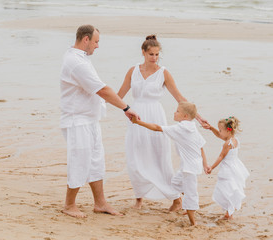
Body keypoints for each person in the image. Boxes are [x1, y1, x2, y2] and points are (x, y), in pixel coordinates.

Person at [117, 35, 208, 210]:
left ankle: (175, 198)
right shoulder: (132, 70)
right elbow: (118, 95)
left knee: (159, 159)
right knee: (135, 157)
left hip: (155, 115)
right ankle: (139, 197)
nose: (154, 57)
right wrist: (96, 101)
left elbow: (180, 98)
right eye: (151, 54)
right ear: (143, 52)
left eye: (157, 54)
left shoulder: (163, 72)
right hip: (135, 115)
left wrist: (198, 116)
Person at [60, 24, 139, 218]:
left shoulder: (81, 59)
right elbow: (102, 90)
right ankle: (69, 205)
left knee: (96, 161)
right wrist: (126, 108)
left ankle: (100, 203)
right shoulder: (76, 62)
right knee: (80, 161)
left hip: (90, 119)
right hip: (77, 120)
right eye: (96, 42)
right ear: (85, 39)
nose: (97, 46)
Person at [131, 102, 208, 226]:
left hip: (190, 168)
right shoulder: (192, 126)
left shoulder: (181, 128)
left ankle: (193, 222)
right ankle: (188, 205)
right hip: (188, 165)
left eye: (177, 111)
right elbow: (201, 146)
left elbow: (157, 128)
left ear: (185, 116)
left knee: (191, 193)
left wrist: (138, 122)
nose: (174, 112)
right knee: (175, 183)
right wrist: (205, 164)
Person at [204, 116, 249, 220]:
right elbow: (219, 135)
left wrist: (211, 167)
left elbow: (221, 156)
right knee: (230, 189)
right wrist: (211, 128)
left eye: (220, 130)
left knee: (225, 190)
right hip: (234, 167)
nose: (219, 132)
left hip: (228, 169)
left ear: (228, 131)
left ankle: (229, 214)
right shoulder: (234, 140)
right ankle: (229, 212)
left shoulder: (227, 144)